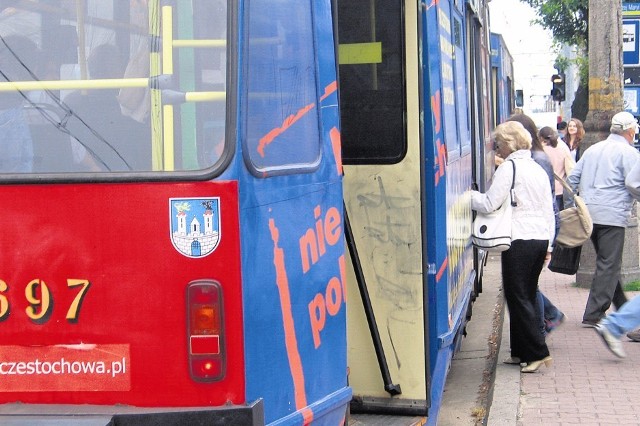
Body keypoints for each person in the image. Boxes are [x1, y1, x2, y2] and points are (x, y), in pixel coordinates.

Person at [471, 121, 555, 373]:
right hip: (539, 239)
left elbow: (489, 203)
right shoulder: (536, 168)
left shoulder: (510, 168)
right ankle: (520, 352)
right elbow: (548, 210)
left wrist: (465, 197)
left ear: (508, 143)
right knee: (527, 294)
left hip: (518, 239)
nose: (496, 148)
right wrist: (549, 244)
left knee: (517, 296)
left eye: (498, 143)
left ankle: (538, 353)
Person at [566, 111, 640, 327]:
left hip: (589, 214)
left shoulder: (592, 150)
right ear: (630, 131)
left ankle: (625, 310)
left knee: (608, 263)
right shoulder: (629, 153)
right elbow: (634, 184)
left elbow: (572, 178)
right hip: (612, 215)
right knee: (609, 264)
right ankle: (594, 313)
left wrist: (572, 206)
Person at [507, 115, 566, 336]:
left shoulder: (536, 159)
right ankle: (547, 318)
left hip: (540, 226)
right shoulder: (533, 157)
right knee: (527, 284)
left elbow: (544, 201)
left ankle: (544, 323)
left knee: (528, 285)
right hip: (540, 224)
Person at [540, 126, 575, 212]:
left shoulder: (540, 150)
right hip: (560, 188)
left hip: (544, 189)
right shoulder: (563, 147)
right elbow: (570, 169)